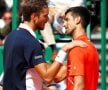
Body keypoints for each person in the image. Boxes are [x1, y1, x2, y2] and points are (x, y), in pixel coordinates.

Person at [3, 0, 87, 90]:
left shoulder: (11, 36)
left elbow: (55, 75)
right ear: (34, 17)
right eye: (45, 16)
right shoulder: (31, 42)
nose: (47, 20)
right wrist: (64, 50)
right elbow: (48, 77)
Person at [55, 6, 99, 90]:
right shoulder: (91, 47)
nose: (64, 24)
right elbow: (58, 77)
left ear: (77, 20)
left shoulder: (77, 49)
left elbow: (78, 86)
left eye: (67, 19)